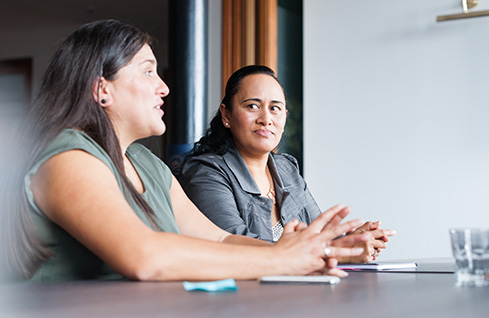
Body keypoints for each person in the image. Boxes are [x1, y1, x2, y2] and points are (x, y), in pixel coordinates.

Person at [0, 20, 368, 282]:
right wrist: (281, 259)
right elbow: (144, 257)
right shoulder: (69, 158)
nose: (163, 87)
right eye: (147, 72)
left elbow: (219, 238)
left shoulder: (147, 164)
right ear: (102, 90)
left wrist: (312, 250)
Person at [179, 65, 396, 263]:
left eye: (275, 108)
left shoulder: (286, 169)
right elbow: (234, 247)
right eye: (253, 106)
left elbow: (318, 237)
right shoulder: (205, 172)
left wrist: (350, 242)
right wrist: (333, 251)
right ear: (226, 115)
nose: (266, 118)